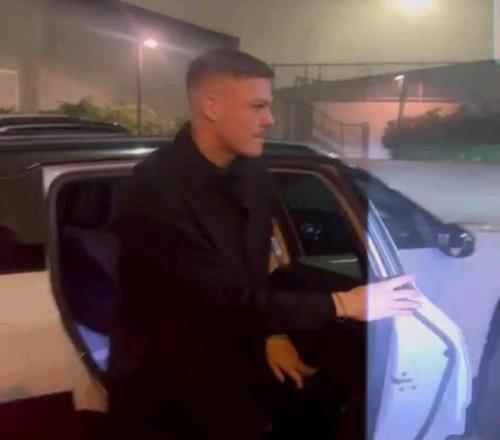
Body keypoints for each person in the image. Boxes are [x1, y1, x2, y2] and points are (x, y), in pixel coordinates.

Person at [106, 48, 421, 439]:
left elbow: (258, 270)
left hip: (235, 368)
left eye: (268, 105)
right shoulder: (154, 190)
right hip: (167, 385)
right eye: (257, 106)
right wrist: (344, 304)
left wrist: (274, 334)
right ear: (212, 106)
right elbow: (220, 301)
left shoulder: (253, 173)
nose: (270, 119)